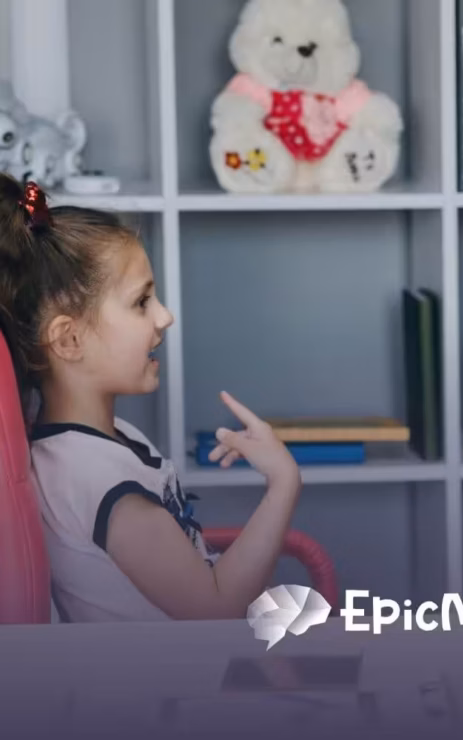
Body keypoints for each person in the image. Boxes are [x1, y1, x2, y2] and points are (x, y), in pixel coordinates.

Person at [0, 174, 302, 621]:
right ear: (68, 340)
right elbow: (216, 609)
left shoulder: (103, 442)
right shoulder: (98, 481)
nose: (165, 316)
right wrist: (284, 481)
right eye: (141, 302)